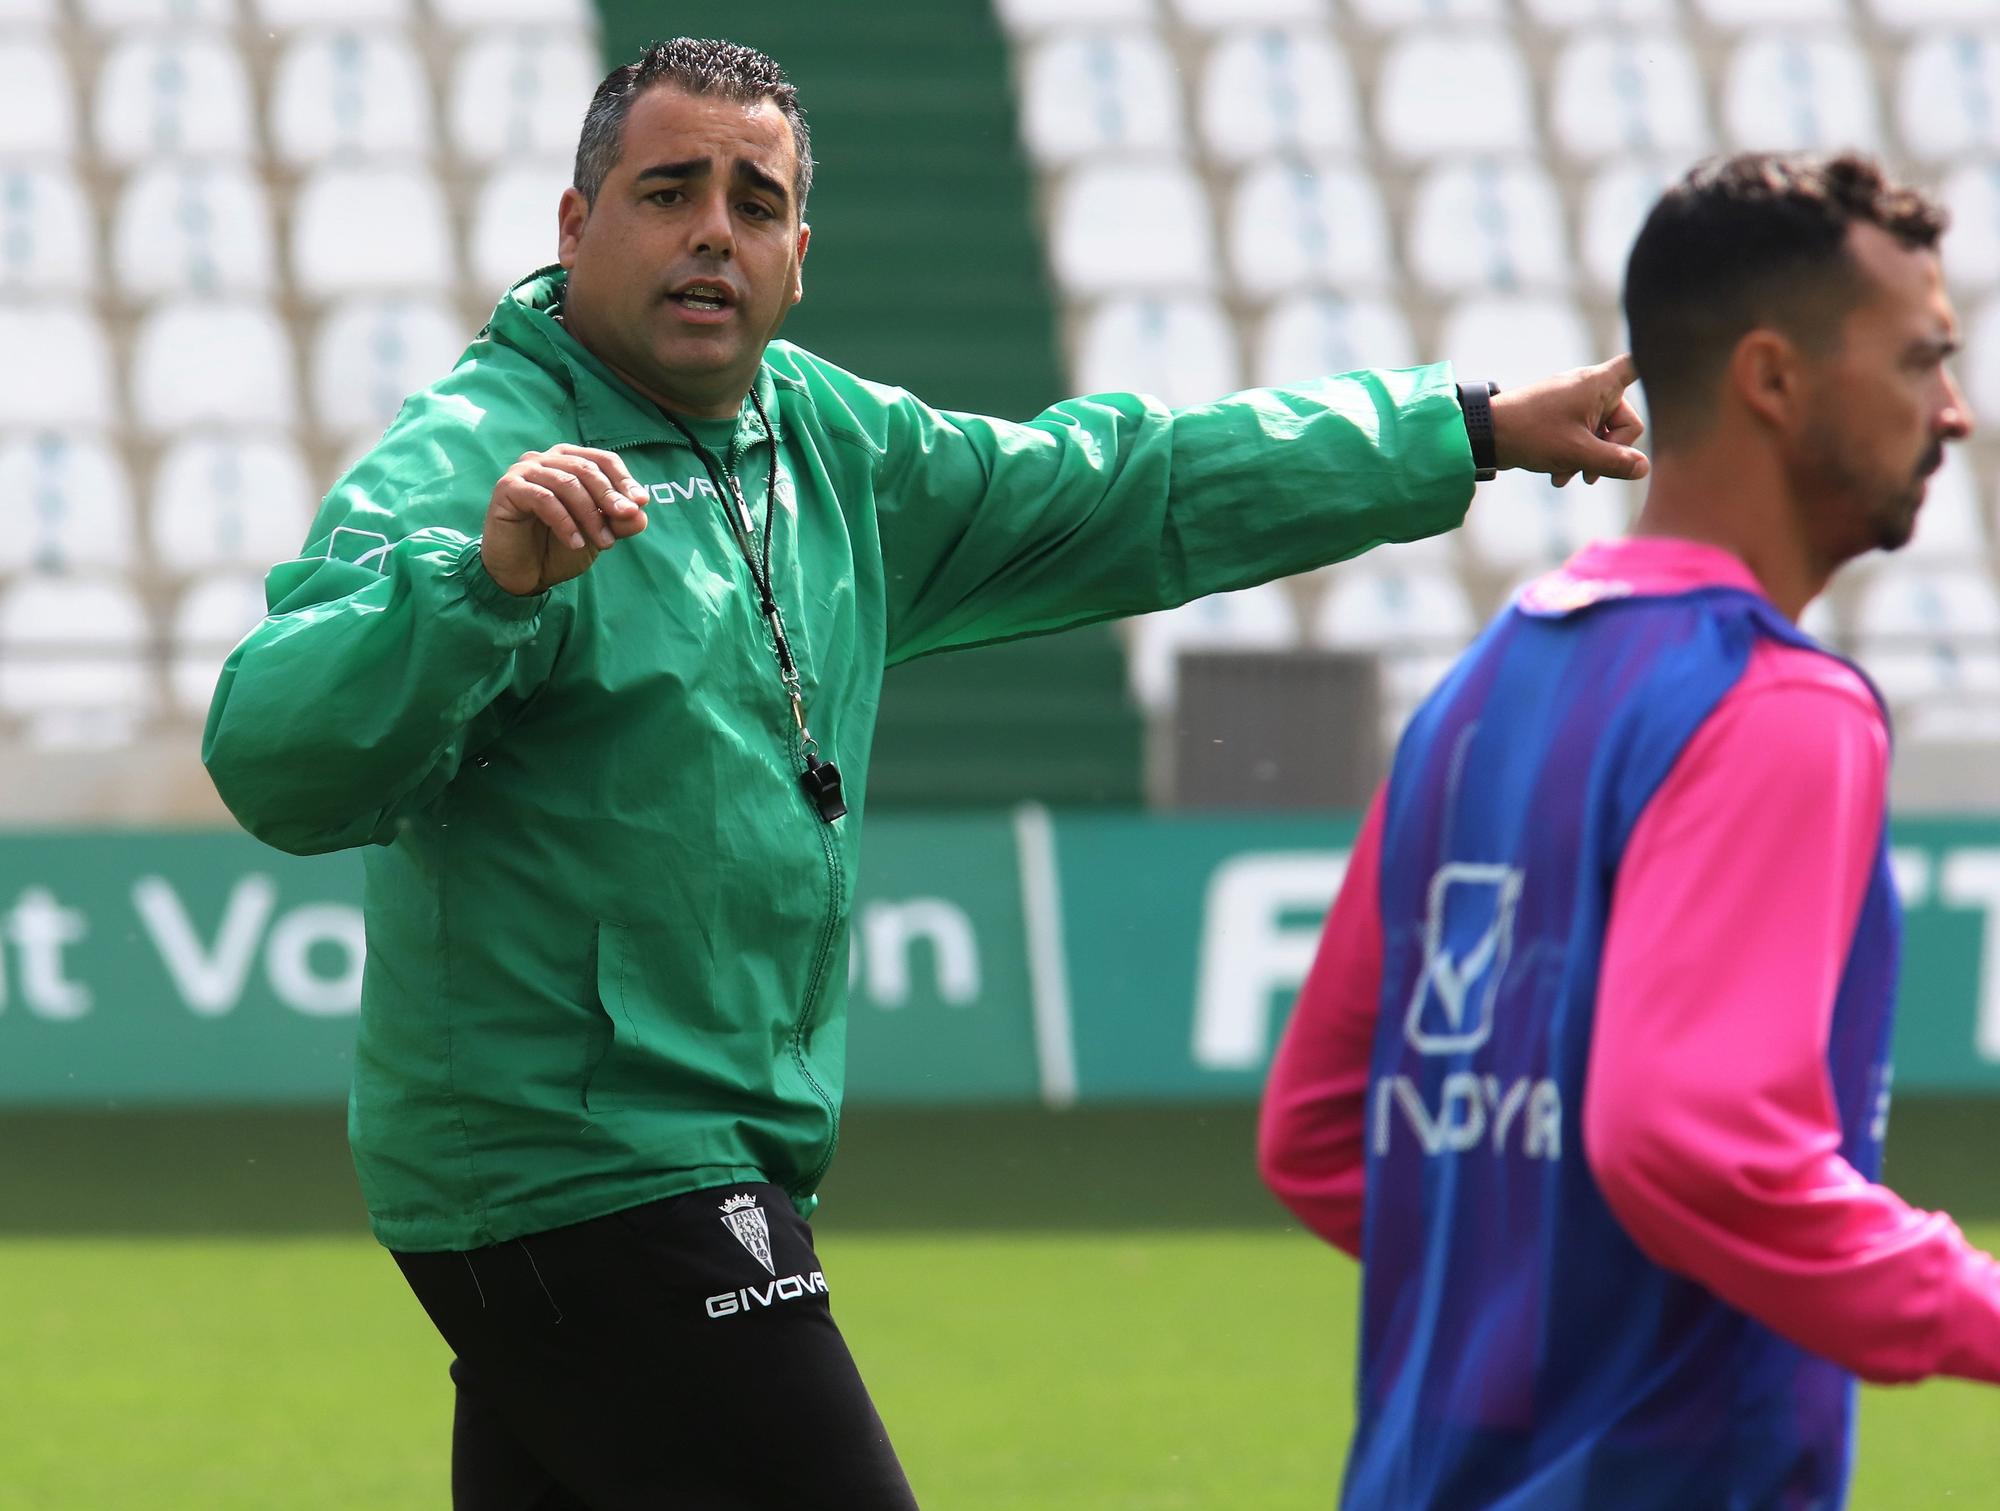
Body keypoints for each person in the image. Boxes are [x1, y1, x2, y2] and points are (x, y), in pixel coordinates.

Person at [203, 37, 1647, 1511]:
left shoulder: (820, 441)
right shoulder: (480, 455)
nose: (715, 228)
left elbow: (1121, 486)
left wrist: (1455, 431)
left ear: (799, 257)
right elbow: (272, 755)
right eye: (669, 190)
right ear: (575, 229)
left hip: (661, 1166)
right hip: (588, 1168)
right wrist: (478, 585)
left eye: (755, 204)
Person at [1258, 150, 2000, 1511]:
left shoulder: (1476, 691)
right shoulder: (1781, 706)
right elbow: (1693, 1143)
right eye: (1918, 361)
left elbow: (1317, 1131)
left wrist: (1555, 1286)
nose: (1952, 412)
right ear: (1775, 381)